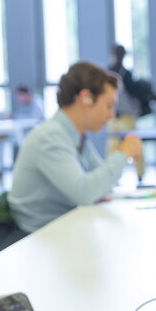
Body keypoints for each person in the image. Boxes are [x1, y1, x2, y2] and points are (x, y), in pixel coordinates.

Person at [8, 62, 143, 233]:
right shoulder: (50, 137)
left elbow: (103, 184)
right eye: (109, 105)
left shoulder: (75, 134)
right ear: (85, 98)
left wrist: (98, 186)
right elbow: (85, 192)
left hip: (61, 226)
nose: (112, 115)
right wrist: (124, 153)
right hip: (35, 236)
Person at [107, 44, 156, 179]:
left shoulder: (125, 74)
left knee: (134, 145)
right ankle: (111, 175)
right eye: (117, 53)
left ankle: (140, 173)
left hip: (127, 117)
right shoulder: (107, 73)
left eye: (121, 53)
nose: (119, 56)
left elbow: (136, 91)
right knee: (113, 147)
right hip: (113, 117)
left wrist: (149, 95)